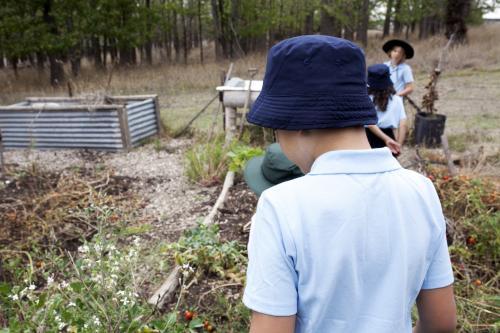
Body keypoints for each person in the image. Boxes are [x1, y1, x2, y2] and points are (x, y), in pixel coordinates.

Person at [243, 35, 456, 333]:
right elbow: (442, 324)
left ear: (295, 121)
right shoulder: (421, 190)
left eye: (274, 128)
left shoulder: (280, 206)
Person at [365, 63, 408, 157]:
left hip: (368, 138)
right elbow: (403, 124)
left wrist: (386, 139)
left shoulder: (366, 99)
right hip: (390, 138)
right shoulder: (397, 99)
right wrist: (398, 144)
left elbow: (370, 123)